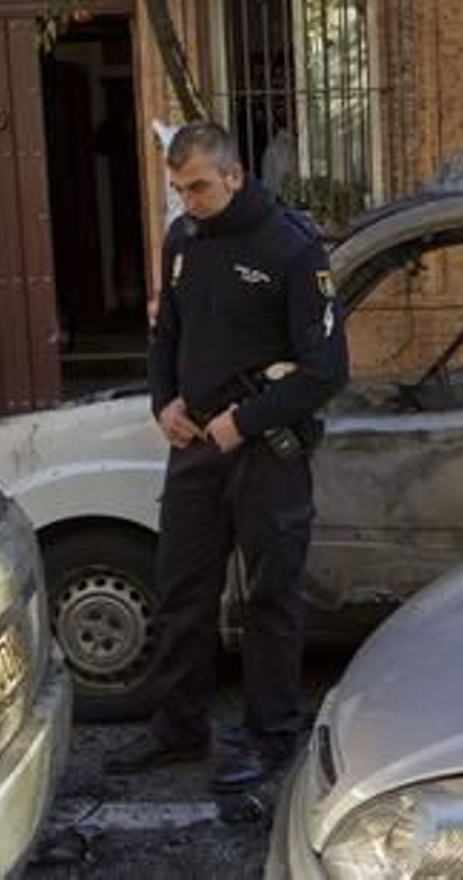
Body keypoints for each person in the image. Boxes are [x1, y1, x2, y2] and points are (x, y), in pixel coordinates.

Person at [106, 121, 349, 792]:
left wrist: (242, 422)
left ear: (235, 175)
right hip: (194, 445)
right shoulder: (183, 239)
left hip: (265, 451)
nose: (188, 201)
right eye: (178, 189)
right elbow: (166, 336)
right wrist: (164, 403)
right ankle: (180, 728)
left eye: (199, 187)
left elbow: (327, 370)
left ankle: (272, 736)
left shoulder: (293, 248)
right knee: (182, 593)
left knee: (271, 597)